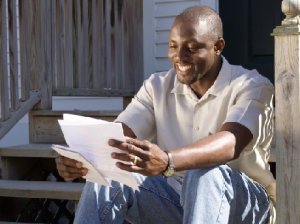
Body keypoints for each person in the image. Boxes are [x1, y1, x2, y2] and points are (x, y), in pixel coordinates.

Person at [55, 5, 276, 224]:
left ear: (217, 47)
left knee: (204, 175)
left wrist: (168, 161)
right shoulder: (156, 87)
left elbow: (231, 142)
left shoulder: (252, 85)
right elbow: (120, 137)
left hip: (244, 205)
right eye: (173, 46)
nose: (179, 57)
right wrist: (83, 157)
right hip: (174, 201)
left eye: (191, 47)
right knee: (110, 175)